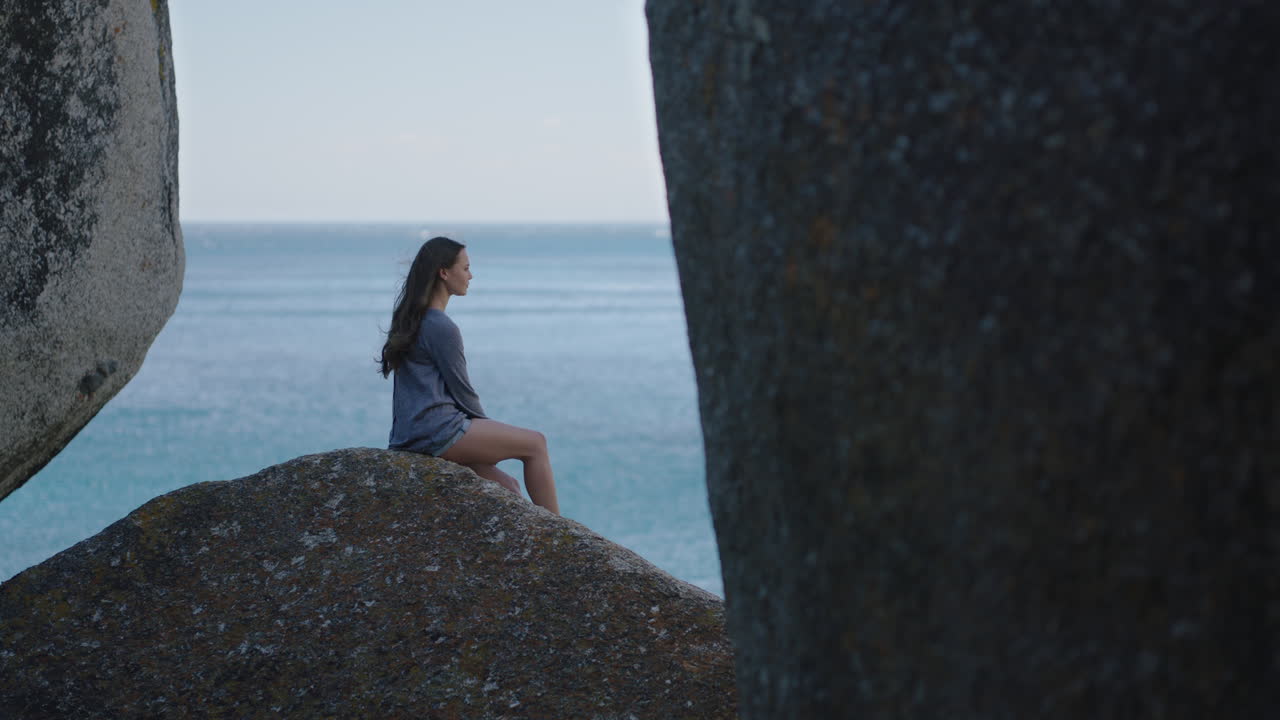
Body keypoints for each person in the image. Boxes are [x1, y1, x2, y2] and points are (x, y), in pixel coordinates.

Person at [379, 236, 561, 515]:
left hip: (410, 435)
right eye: (465, 268)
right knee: (536, 444)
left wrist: (486, 444)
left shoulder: (410, 318)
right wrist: (488, 437)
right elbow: (463, 393)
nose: (470, 276)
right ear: (444, 272)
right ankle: (558, 533)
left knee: (508, 486)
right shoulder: (441, 326)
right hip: (437, 432)